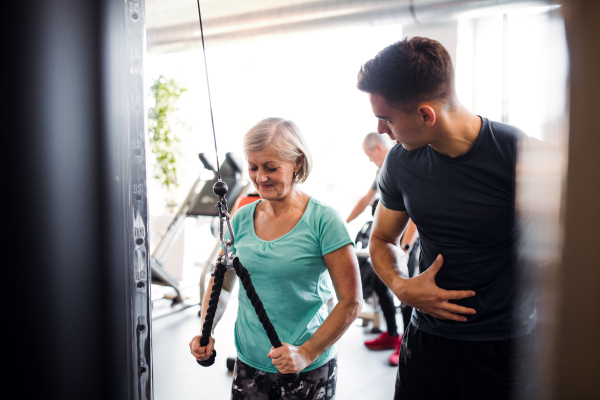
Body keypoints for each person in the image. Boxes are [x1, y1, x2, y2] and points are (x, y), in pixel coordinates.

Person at [357, 37, 536, 399]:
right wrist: (400, 285)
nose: (380, 129)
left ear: (426, 115)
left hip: (506, 346)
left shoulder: (518, 155)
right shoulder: (400, 162)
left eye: (387, 118)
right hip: (427, 343)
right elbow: (381, 240)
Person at [189, 118, 362, 400]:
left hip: (306, 366)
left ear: (297, 162)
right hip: (249, 361)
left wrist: (306, 353)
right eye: (253, 167)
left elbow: (351, 302)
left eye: (271, 167)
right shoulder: (243, 217)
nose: (260, 177)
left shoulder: (324, 220)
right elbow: (223, 282)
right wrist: (205, 330)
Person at [346, 132, 419, 366]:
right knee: (379, 280)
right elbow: (367, 199)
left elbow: (413, 214)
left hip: (409, 240)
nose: (369, 160)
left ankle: (405, 344)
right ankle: (392, 334)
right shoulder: (383, 170)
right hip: (391, 240)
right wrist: (343, 223)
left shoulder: (404, 163)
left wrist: (405, 247)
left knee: (407, 290)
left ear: (378, 148)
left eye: (369, 155)